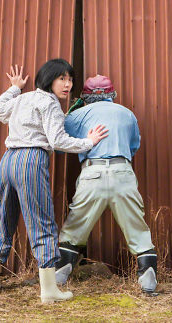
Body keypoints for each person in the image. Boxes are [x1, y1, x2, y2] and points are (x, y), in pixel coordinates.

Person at [0, 59, 109, 304]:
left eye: (70, 80)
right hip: (30, 160)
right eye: (61, 78)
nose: (67, 84)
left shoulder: (23, 98)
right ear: (49, 78)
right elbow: (57, 140)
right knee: (42, 221)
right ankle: (49, 291)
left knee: (6, 221)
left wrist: (15, 88)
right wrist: (89, 142)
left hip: (8, 161)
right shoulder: (50, 103)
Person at [55, 74, 158, 294]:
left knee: (74, 228)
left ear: (86, 96)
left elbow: (58, 140)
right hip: (123, 171)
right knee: (138, 230)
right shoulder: (127, 114)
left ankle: (60, 275)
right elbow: (133, 147)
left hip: (92, 172)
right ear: (113, 94)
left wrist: (74, 110)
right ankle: (148, 281)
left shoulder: (79, 114)